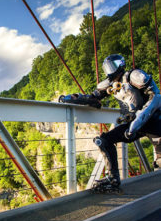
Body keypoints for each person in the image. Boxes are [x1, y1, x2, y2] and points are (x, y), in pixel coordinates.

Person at [60, 54, 161, 190]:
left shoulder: (134, 76)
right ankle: (113, 178)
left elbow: (156, 95)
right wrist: (70, 98)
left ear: (121, 64)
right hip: (132, 123)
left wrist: (138, 121)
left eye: (112, 66)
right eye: (107, 67)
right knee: (104, 140)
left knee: (160, 164)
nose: (110, 70)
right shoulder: (110, 85)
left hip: (153, 121)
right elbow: (93, 98)